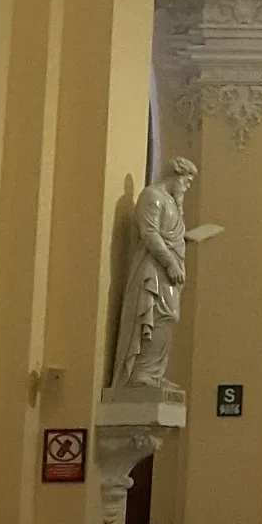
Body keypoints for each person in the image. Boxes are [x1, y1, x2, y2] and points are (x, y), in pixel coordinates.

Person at [110, 158, 197, 390]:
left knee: (169, 317)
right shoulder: (152, 197)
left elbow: (172, 235)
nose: (187, 187)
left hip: (171, 270)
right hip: (153, 269)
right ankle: (140, 372)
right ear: (176, 176)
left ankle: (154, 372)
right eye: (187, 182)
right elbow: (150, 233)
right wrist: (170, 262)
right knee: (156, 314)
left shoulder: (173, 203)